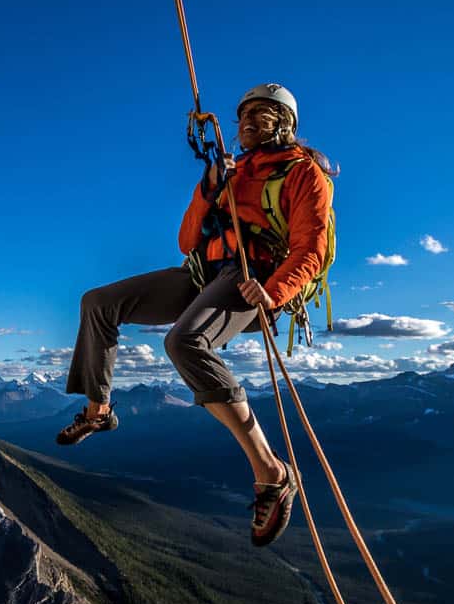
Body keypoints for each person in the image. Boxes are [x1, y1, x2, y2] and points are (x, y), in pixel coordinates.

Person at [56, 83, 335, 547]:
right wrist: (209, 189)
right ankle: (98, 410)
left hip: (252, 278)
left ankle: (271, 471)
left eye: (261, 115)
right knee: (97, 302)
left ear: (283, 122)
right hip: (203, 270)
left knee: (184, 342)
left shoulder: (303, 173)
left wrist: (272, 293)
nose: (246, 123)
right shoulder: (228, 171)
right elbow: (187, 241)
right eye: (244, 115)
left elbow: (312, 248)